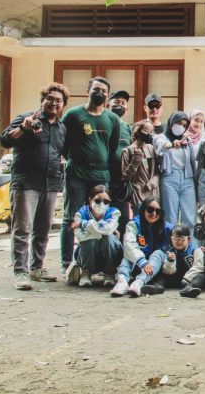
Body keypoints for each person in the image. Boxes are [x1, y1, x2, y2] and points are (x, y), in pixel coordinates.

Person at [0, 82, 68, 290]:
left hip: (50, 184)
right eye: (50, 99)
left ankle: (37, 267)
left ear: (63, 104)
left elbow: (61, 153)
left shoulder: (61, 128)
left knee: (43, 230)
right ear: (42, 100)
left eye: (58, 101)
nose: (54, 103)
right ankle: (21, 272)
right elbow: (5, 140)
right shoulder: (26, 118)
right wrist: (23, 127)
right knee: (22, 229)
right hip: (26, 183)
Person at [60, 76, 121, 272]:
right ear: (88, 91)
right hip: (77, 173)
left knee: (100, 218)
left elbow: (112, 148)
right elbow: (62, 143)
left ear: (107, 95)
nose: (100, 93)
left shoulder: (112, 119)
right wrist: (76, 158)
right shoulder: (73, 115)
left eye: (104, 91)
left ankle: (96, 264)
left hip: (101, 175)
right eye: (96, 89)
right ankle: (67, 263)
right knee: (71, 217)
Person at [109, 197, 168, 297]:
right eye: (150, 210)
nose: (154, 214)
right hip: (137, 264)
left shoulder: (166, 227)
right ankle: (122, 281)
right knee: (129, 253)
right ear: (143, 210)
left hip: (152, 269)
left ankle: (139, 283)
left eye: (157, 211)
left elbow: (182, 239)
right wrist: (141, 261)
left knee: (160, 253)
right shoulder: (134, 224)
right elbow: (129, 243)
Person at [67, 185, 123, 288]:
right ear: (90, 199)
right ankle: (86, 273)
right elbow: (81, 237)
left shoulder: (114, 212)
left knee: (109, 238)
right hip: (87, 255)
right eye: (98, 200)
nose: (102, 204)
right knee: (90, 240)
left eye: (106, 201)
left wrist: (83, 224)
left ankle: (110, 273)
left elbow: (108, 230)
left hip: (109, 255)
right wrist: (101, 231)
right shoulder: (80, 214)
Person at [153, 111, 197, 228]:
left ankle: (189, 239)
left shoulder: (187, 140)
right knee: (170, 216)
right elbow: (161, 146)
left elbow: (192, 161)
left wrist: (195, 180)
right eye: (178, 123)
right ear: (171, 122)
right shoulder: (160, 137)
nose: (181, 127)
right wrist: (173, 144)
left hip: (187, 179)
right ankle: (170, 239)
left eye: (184, 125)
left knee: (190, 217)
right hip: (169, 178)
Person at [106, 89, 132, 238]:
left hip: (122, 180)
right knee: (104, 216)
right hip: (105, 177)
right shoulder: (104, 122)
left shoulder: (127, 127)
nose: (120, 105)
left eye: (123, 103)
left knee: (123, 218)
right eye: (116, 102)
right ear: (108, 105)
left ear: (127, 108)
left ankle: (120, 248)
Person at [155, 224, 205, 298]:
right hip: (177, 277)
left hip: (190, 278)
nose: (178, 242)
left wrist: (187, 279)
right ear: (171, 239)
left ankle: (190, 288)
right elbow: (169, 272)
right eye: (175, 239)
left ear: (188, 239)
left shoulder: (195, 250)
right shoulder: (170, 251)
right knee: (163, 276)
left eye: (182, 239)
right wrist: (170, 261)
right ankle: (157, 287)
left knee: (202, 276)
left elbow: (199, 267)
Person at [121, 120, 160, 213]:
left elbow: (157, 171)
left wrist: (153, 182)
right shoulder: (127, 151)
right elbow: (125, 176)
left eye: (151, 131)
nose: (148, 134)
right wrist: (135, 160)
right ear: (138, 132)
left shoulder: (151, 148)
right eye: (146, 130)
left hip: (153, 193)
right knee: (139, 218)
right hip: (138, 193)